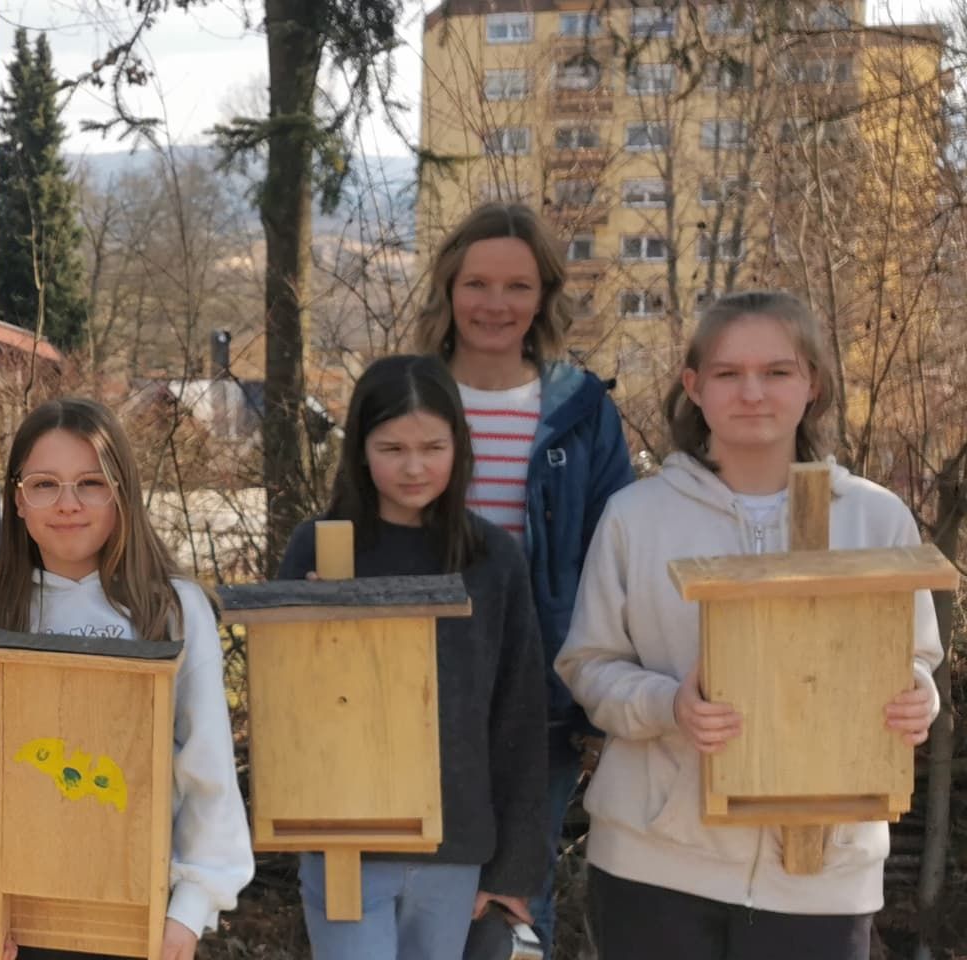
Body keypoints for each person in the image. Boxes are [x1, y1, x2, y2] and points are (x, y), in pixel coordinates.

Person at [556, 291, 940, 960]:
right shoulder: (636, 516)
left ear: (812, 383)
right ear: (694, 386)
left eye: (777, 371)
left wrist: (917, 698)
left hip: (824, 871)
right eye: (729, 373)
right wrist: (669, 705)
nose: (752, 392)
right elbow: (588, 665)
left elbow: (916, 660)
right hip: (657, 862)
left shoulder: (875, 518)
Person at [404, 202, 635, 954]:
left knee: (514, 902)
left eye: (517, 286)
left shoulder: (582, 411)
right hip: (415, 690)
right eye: (477, 283)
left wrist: (600, 694)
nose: (495, 304)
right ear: (448, 289)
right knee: (415, 898)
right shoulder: (407, 396)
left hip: (541, 693)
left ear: (544, 296)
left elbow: (614, 558)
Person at [0, 398, 251, 960]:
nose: (68, 504)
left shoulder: (171, 609)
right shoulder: (2, 613)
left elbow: (206, 766)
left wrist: (189, 909)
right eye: (44, 485)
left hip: (143, 915)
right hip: (26, 916)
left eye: (91, 483)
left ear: (122, 492)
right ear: (17, 500)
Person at [277, 356, 547, 959]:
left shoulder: (492, 558)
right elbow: (284, 711)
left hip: (456, 845)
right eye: (392, 448)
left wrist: (511, 868)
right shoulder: (320, 548)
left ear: (460, 445)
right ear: (360, 449)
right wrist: (308, 633)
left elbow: (520, 713)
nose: (414, 466)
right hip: (345, 841)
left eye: (432, 447)